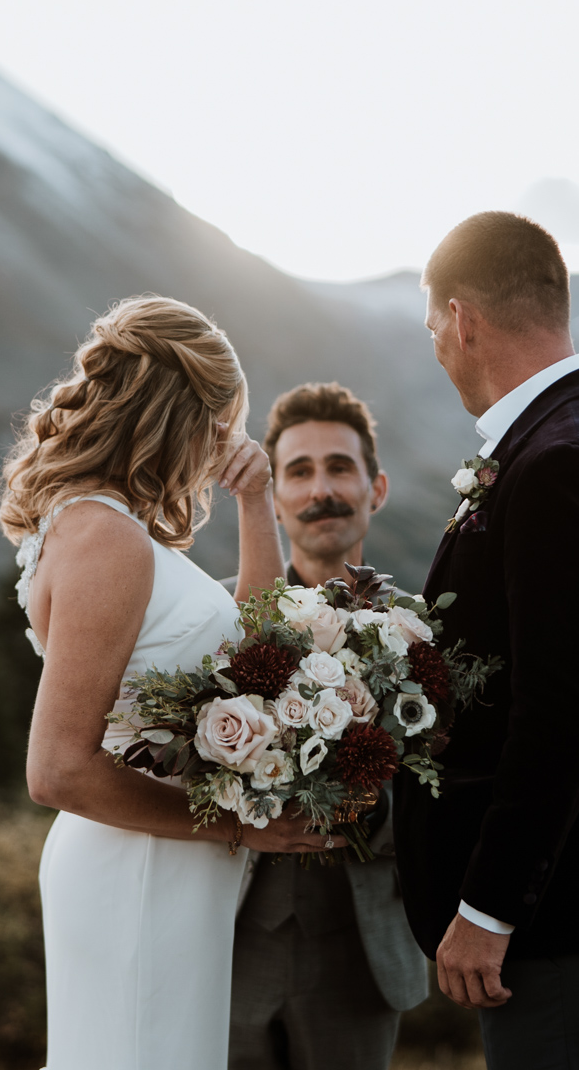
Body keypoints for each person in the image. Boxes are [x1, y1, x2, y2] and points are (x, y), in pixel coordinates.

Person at [393, 213, 579, 1069]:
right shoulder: (570, 433)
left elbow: (565, 712)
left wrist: (490, 910)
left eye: (433, 331)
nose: (439, 350)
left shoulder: (561, 462)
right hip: (576, 898)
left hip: (565, 912)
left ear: (463, 320)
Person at [4, 295, 331, 1070]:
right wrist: (235, 825)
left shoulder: (114, 528)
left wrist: (257, 505)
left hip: (163, 864)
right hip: (137, 868)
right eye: (227, 422)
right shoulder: (107, 540)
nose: (229, 445)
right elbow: (56, 770)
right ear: (189, 417)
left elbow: (251, 654)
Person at [228, 383, 430, 1070]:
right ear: (275, 496)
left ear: (375, 488)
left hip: (361, 944)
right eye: (301, 471)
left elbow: (459, 787)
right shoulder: (222, 624)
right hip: (228, 938)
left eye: (340, 468)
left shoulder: (427, 638)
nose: (323, 489)